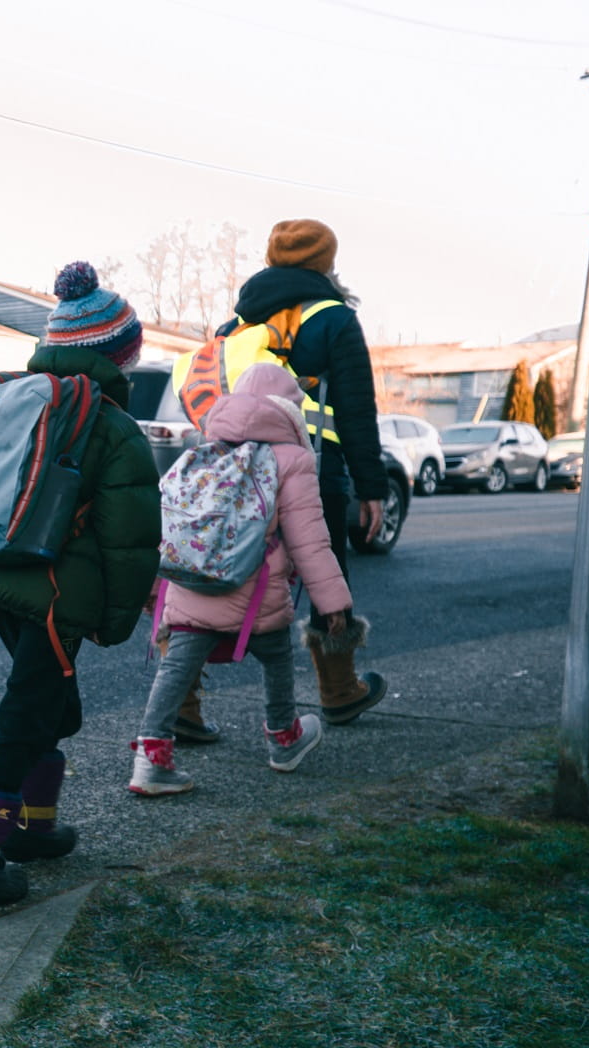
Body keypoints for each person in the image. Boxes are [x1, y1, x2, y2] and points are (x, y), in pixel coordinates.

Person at [0, 262, 161, 906]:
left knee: (55, 707)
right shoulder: (111, 426)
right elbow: (128, 540)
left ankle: (32, 827)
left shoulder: (18, 402)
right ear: (120, 355)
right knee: (30, 714)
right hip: (56, 596)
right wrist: (116, 620)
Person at [129, 362, 355, 796]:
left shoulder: (205, 447)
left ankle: (151, 760)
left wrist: (155, 587)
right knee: (276, 656)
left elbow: (176, 526)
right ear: (289, 410)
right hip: (256, 592)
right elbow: (309, 539)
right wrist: (332, 603)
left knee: (177, 665)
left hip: (191, 586)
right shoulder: (292, 459)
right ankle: (284, 739)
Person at [222, 219, 388, 725]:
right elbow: (356, 409)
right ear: (326, 263)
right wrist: (372, 488)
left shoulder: (240, 324)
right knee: (323, 573)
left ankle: (182, 699)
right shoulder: (336, 319)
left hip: (241, 468)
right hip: (317, 469)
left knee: (225, 574)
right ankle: (338, 689)